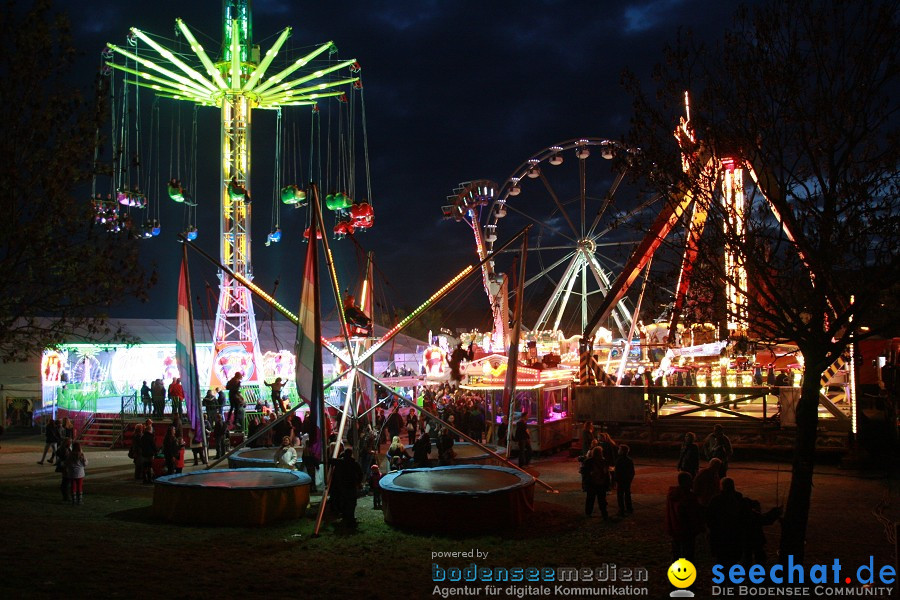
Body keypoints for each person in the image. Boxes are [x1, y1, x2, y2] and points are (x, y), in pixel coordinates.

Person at [665, 471, 705, 561]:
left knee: (676, 551)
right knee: (688, 553)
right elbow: (692, 514)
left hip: (675, 529)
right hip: (687, 530)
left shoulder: (672, 494)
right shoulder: (689, 497)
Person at [330, 448, 363, 525]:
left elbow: (331, 460)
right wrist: (358, 482)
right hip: (351, 484)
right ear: (351, 454)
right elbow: (360, 474)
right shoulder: (354, 463)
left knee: (344, 501)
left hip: (343, 485)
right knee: (352, 502)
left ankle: (345, 516)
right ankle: (350, 517)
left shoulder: (340, 462)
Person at [579, 446, 610, 519]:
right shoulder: (603, 461)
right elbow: (607, 474)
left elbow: (583, 471)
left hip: (592, 483)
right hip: (599, 483)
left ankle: (589, 513)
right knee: (601, 500)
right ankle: (604, 513)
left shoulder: (589, 461)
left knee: (591, 499)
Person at [614, 444, 635, 517]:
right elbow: (632, 471)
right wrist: (630, 479)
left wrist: (615, 480)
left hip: (620, 480)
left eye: (619, 449)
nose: (618, 450)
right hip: (627, 480)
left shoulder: (619, 460)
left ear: (622, 451)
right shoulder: (629, 460)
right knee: (627, 494)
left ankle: (621, 510)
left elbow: (617, 471)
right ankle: (629, 508)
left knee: (620, 495)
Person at [55, 437, 73, 502]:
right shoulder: (64, 449)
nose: (70, 443)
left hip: (66, 466)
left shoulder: (65, 448)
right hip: (65, 466)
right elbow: (65, 457)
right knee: (66, 481)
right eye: (69, 442)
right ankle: (66, 496)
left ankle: (66, 496)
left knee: (66, 481)